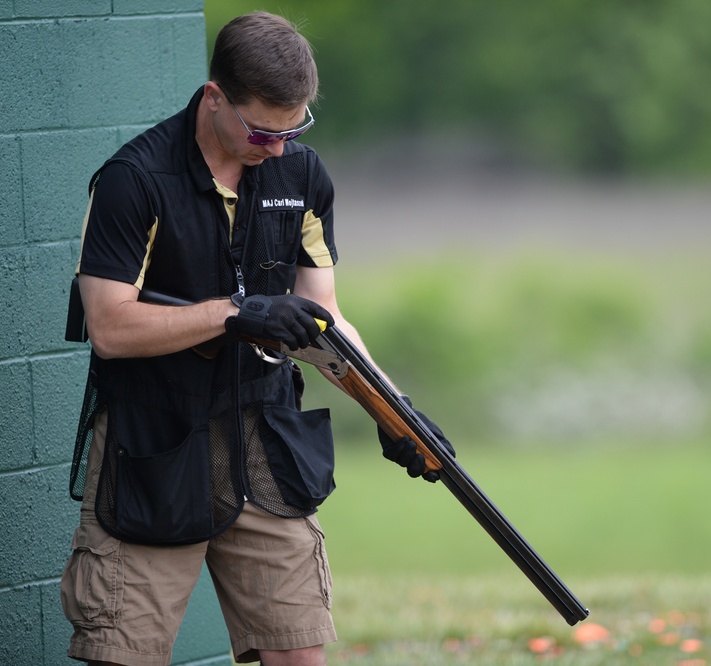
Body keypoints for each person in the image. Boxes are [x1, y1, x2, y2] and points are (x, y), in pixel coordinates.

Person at [61, 11, 452, 666]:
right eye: (263, 131)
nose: (277, 146)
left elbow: (322, 313)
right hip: (153, 446)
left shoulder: (301, 176)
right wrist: (235, 314)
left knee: (301, 656)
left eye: (293, 128)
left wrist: (394, 410)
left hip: (266, 440)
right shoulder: (133, 181)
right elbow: (110, 328)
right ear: (215, 97)